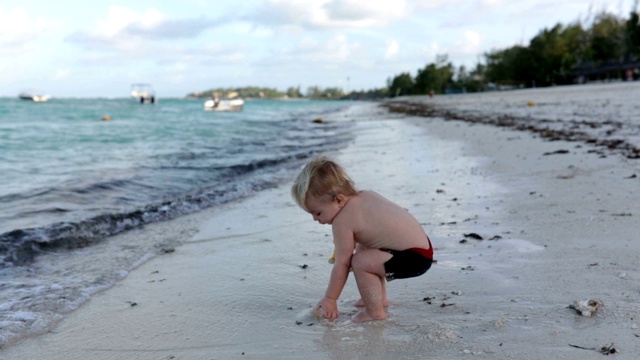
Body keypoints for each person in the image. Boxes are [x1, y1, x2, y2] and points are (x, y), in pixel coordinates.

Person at [291, 156, 433, 323]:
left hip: (413, 259)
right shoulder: (365, 195)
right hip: (422, 250)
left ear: (339, 200)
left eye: (318, 212)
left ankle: (375, 312)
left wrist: (330, 298)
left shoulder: (342, 221)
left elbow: (342, 264)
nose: (315, 219)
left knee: (360, 261)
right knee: (365, 249)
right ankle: (377, 299)